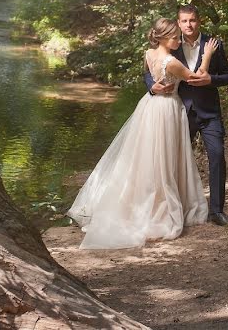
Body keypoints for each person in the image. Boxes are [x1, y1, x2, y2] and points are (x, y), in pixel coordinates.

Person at [67, 18, 219, 249]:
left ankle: (143, 200)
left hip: (149, 107)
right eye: (175, 37)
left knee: (145, 157)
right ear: (164, 38)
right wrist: (207, 55)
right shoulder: (171, 62)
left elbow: (150, 74)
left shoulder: (148, 53)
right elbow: (196, 78)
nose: (178, 40)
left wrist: (155, 85)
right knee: (163, 159)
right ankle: (160, 205)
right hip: (167, 109)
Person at [144, 5, 228, 227]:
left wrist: (211, 80)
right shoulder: (171, 43)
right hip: (178, 113)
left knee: (217, 156)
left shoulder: (213, 44)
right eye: (184, 21)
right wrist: (152, 87)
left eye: (192, 20)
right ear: (178, 22)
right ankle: (175, 208)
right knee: (172, 160)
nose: (188, 25)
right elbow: (149, 73)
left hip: (209, 112)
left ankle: (216, 211)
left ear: (199, 20)